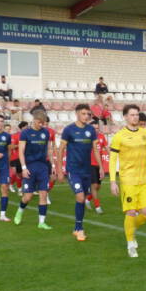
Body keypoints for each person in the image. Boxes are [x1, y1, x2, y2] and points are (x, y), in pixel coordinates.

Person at [109, 104, 146, 258]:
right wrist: (113, 181)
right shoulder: (119, 136)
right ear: (125, 117)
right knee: (131, 212)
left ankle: (130, 229)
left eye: (137, 114)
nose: (135, 117)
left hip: (144, 180)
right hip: (128, 180)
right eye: (132, 115)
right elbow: (113, 160)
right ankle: (130, 242)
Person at [57, 103, 103, 241]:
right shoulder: (69, 130)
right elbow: (60, 150)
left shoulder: (91, 130)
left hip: (86, 170)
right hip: (73, 170)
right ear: (77, 114)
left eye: (88, 114)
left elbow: (95, 149)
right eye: (83, 113)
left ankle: (77, 227)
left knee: (82, 199)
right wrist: (59, 169)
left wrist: (100, 167)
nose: (86, 116)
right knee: (80, 197)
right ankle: (79, 228)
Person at [13, 110, 54, 229]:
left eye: (43, 123)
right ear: (34, 120)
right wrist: (24, 168)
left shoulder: (45, 133)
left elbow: (48, 149)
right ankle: (20, 210)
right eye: (40, 122)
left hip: (42, 167)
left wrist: (52, 165)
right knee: (28, 196)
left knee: (43, 194)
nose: (42, 125)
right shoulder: (25, 133)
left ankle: (41, 222)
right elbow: (21, 151)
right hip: (29, 167)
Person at [86, 121, 109, 214]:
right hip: (89, 164)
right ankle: (97, 206)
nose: (95, 130)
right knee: (94, 186)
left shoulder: (102, 137)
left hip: (99, 164)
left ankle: (87, 199)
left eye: (97, 128)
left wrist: (112, 155)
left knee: (98, 186)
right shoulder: (87, 138)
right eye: (93, 128)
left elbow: (106, 147)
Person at [9, 121, 28, 193]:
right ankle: (13, 185)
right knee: (15, 173)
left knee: (22, 174)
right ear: (22, 127)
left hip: (24, 157)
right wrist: (21, 145)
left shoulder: (28, 135)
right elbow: (12, 146)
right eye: (26, 127)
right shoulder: (15, 135)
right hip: (15, 157)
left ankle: (24, 188)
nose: (27, 128)